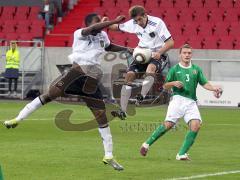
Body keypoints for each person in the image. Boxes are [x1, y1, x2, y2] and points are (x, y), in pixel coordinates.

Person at [3, 13, 129, 170]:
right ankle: (18, 118)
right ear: (88, 24)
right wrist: (113, 21)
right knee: (51, 94)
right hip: (77, 71)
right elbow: (93, 28)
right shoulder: (80, 33)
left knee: (100, 116)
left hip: (92, 76)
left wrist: (128, 49)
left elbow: (109, 46)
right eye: (96, 24)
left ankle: (109, 154)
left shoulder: (103, 34)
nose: (99, 26)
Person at [140, 44, 222, 160]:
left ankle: (181, 154)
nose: (187, 55)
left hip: (191, 102)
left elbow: (204, 83)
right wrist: (173, 83)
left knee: (196, 125)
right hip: (177, 100)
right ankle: (146, 144)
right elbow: (165, 86)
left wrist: (214, 88)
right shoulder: (175, 69)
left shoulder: (196, 69)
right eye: (184, 53)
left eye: (189, 53)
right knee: (168, 125)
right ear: (180, 55)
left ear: (191, 55)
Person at [108, 5, 174, 120]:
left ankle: (141, 96)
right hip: (141, 52)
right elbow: (116, 27)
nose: (138, 22)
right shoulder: (133, 23)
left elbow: (170, 42)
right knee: (129, 75)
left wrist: (159, 52)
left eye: (140, 19)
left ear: (145, 15)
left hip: (157, 53)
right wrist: (107, 23)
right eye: (135, 20)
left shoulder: (157, 23)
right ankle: (122, 110)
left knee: (151, 69)